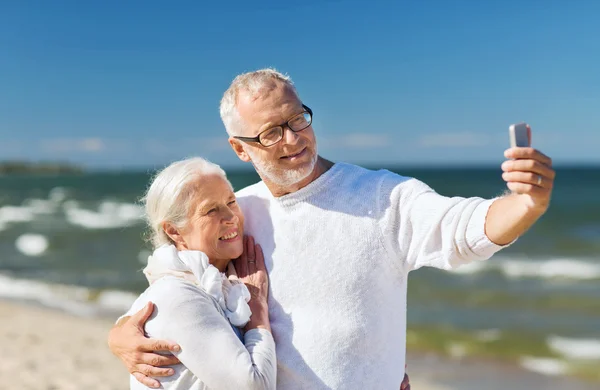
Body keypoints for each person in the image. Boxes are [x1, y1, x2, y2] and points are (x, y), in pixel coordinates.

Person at [109, 69, 555, 389]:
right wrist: (121, 334)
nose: (293, 139)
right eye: (270, 133)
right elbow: (176, 285)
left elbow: (466, 230)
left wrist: (526, 203)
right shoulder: (236, 213)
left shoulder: (381, 195)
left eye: (298, 119)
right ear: (240, 149)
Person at [122, 157, 276, 389]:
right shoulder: (176, 294)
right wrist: (257, 310)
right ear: (174, 231)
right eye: (211, 210)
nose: (231, 217)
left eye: (231, 201)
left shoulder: (219, 282)